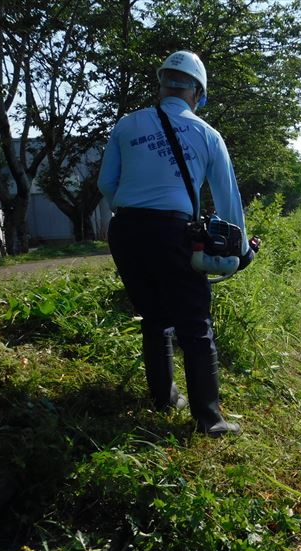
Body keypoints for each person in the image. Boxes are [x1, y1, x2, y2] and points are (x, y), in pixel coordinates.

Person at [98, 50, 253, 436]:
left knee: (155, 316)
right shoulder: (206, 134)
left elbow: (106, 185)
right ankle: (209, 419)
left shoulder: (127, 124)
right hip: (173, 232)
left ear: (162, 84)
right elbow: (228, 198)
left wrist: (136, 207)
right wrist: (242, 250)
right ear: (197, 93)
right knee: (195, 324)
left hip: (126, 231)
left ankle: (163, 397)